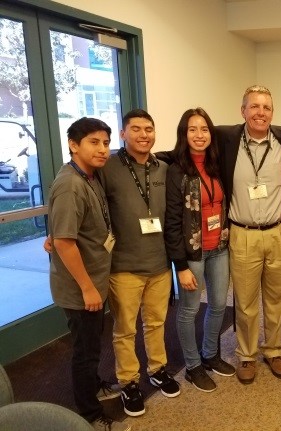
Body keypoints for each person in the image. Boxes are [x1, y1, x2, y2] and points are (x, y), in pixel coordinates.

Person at [48, 117, 130, 431]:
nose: (102, 149)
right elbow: (65, 243)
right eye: (94, 142)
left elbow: (65, 231)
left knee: (92, 345)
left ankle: (94, 385)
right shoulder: (70, 184)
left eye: (106, 143)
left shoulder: (88, 176)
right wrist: (87, 288)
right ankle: (89, 415)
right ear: (73, 144)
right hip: (81, 288)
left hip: (93, 278)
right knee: (85, 351)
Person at [216, 85, 281, 384]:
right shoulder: (226, 140)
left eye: (266, 107)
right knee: (246, 299)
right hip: (244, 233)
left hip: (278, 231)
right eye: (254, 107)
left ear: (272, 113)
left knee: (278, 297)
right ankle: (247, 356)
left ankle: (274, 350)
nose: (260, 112)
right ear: (243, 111)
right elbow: (190, 146)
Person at [99, 109, 180, 418]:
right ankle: (129, 382)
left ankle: (157, 368)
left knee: (157, 322)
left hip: (159, 264)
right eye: (136, 129)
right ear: (123, 134)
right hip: (124, 266)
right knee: (124, 330)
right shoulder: (107, 168)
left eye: (149, 129)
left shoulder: (163, 168)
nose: (144, 134)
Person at [164, 108, 235, 392]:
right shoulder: (176, 170)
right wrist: (179, 266)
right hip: (192, 254)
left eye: (204, 129)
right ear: (184, 134)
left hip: (219, 247)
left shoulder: (218, 164)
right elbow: (172, 221)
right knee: (189, 309)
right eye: (192, 129)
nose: (199, 135)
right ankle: (192, 365)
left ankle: (210, 355)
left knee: (218, 305)